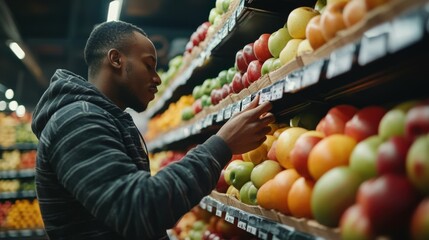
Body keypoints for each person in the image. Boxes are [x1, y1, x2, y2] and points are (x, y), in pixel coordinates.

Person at [31, 20, 275, 240]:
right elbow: (138, 210)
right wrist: (221, 145)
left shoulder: (102, 118)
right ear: (116, 60)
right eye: (149, 65)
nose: (157, 79)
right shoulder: (78, 120)